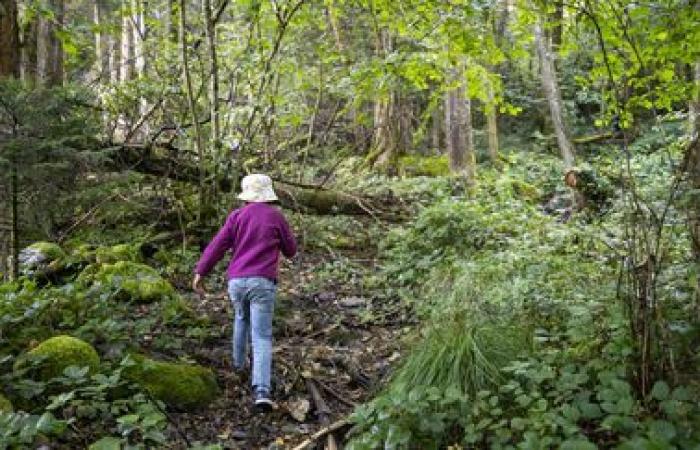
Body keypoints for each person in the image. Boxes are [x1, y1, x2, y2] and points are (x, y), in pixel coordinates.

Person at [192, 174, 297, 411]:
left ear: (246, 195)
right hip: (262, 282)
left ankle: (238, 367)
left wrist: (201, 272)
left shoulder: (236, 217)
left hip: (236, 282)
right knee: (261, 335)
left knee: (241, 319)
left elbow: (217, 245)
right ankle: (261, 390)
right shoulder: (276, 217)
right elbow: (291, 250)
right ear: (268, 195)